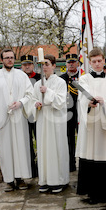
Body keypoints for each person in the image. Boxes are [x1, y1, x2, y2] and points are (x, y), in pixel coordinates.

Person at [0, 48, 35, 192]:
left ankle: (20, 178)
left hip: (19, 118)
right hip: (2, 119)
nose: (10, 60)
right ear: (1, 59)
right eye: (6, 57)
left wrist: (21, 102)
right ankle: (8, 179)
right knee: (5, 149)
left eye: (12, 57)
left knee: (20, 147)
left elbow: (30, 94)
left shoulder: (22, 76)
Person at [75, 48, 106, 204]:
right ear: (89, 62)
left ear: (104, 60)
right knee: (91, 156)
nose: (97, 64)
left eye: (99, 61)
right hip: (91, 125)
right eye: (93, 61)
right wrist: (88, 103)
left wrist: (104, 103)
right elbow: (81, 100)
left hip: (105, 125)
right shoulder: (84, 79)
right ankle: (92, 193)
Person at [32, 54, 70, 193]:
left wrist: (48, 91)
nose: (45, 67)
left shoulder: (60, 82)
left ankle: (59, 180)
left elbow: (60, 101)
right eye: (42, 65)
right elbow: (33, 100)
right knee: (43, 149)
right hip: (42, 118)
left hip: (55, 119)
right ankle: (45, 180)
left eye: (47, 64)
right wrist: (35, 104)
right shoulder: (37, 84)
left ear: (54, 65)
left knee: (56, 148)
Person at [20, 54, 41, 178]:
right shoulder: (19, 79)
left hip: (37, 113)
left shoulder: (39, 78)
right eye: (24, 65)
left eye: (29, 64)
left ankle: (41, 165)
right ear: (21, 66)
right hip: (23, 114)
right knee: (26, 142)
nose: (27, 67)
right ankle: (30, 168)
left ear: (33, 65)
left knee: (39, 140)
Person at [60, 53, 79, 172]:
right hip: (67, 112)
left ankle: (83, 163)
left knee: (82, 138)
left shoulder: (82, 76)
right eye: (69, 62)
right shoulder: (62, 78)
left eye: (73, 61)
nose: (71, 64)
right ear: (66, 64)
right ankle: (71, 164)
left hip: (80, 111)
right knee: (69, 138)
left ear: (77, 63)